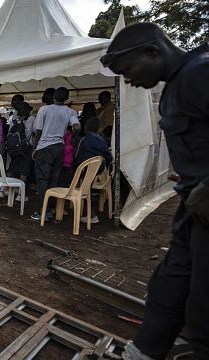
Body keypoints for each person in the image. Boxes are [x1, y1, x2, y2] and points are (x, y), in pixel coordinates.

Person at [100, 22, 209, 360]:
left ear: (152, 51)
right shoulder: (173, 89)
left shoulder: (200, 73)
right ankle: (144, 352)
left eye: (128, 70)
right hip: (193, 210)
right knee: (168, 286)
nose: (128, 80)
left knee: (205, 306)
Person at [30, 87, 80, 221]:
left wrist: (35, 148)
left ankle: (43, 212)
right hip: (59, 148)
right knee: (53, 180)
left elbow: (38, 131)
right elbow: (77, 127)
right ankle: (51, 210)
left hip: (44, 148)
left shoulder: (44, 110)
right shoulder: (70, 111)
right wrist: (73, 137)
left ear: (53, 97)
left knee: (42, 180)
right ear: (67, 99)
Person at [73, 117, 112, 225]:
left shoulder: (83, 140)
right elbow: (108, 156)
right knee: (87, 185)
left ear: (85, 128)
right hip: (100, 170)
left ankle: (92, 215)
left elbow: (77, 157)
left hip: (86, 170)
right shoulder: (102, 140)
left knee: (83, 186)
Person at [7, 102, 35, 187]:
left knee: (12, 168)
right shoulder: (32, 119)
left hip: (14, 147)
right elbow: (32, 132)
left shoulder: (15, 119)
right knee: (24, 170)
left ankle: (5, 189)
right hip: (27, 148)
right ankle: (19, 193)